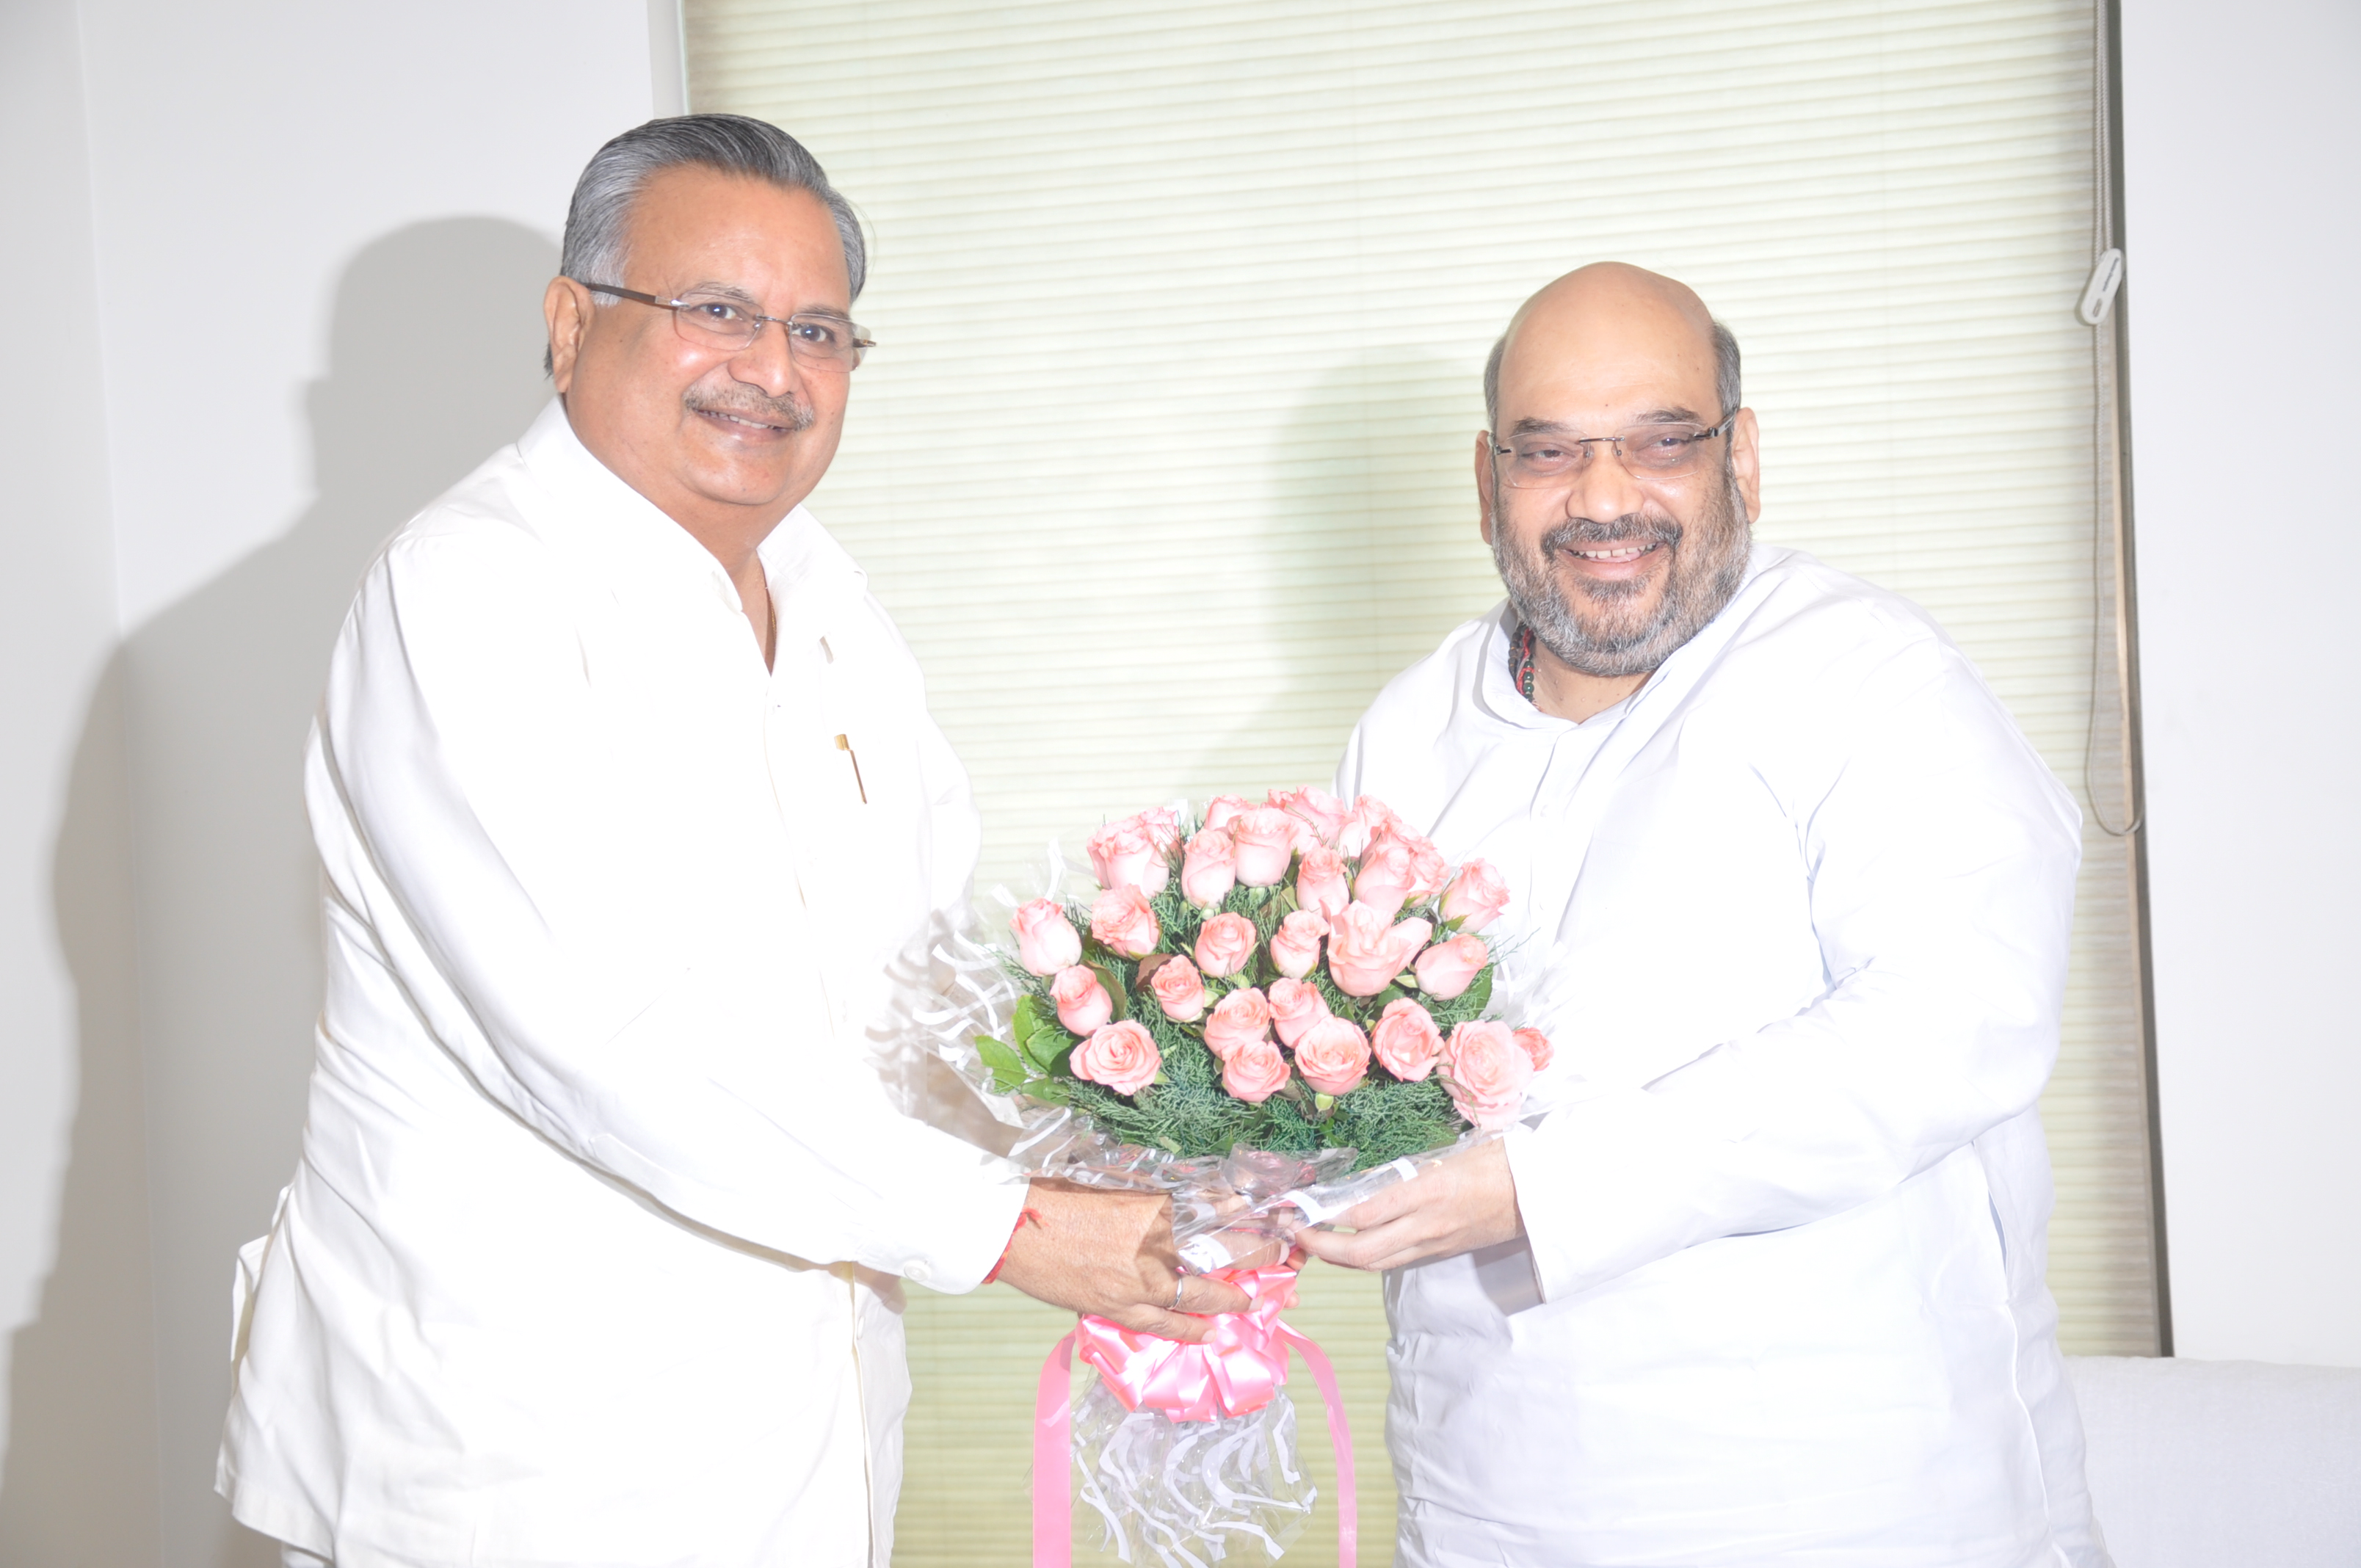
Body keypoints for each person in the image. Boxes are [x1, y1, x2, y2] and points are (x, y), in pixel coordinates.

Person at [216, 115, 1247, 1568]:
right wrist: (1016, 1230)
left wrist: (1157, 1141)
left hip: (805, 1435)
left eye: (819, 331)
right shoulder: (470, 593)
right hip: (523, 1470)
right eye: (717, 312)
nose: (772, 369)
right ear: (572, 327)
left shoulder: (826, 599)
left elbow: (925, 986)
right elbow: (611, 1039)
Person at [1294, 263, 2111, 1567]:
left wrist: (1540, 1187)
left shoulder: (1867, 675)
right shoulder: (1404, 730)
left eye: (1661, 441)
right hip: (1486, 1499)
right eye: (1549, 451)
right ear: (1485, 478)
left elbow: (1956, 1022)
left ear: (1742, 457)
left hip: (1849, 1503)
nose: (1604, 496)